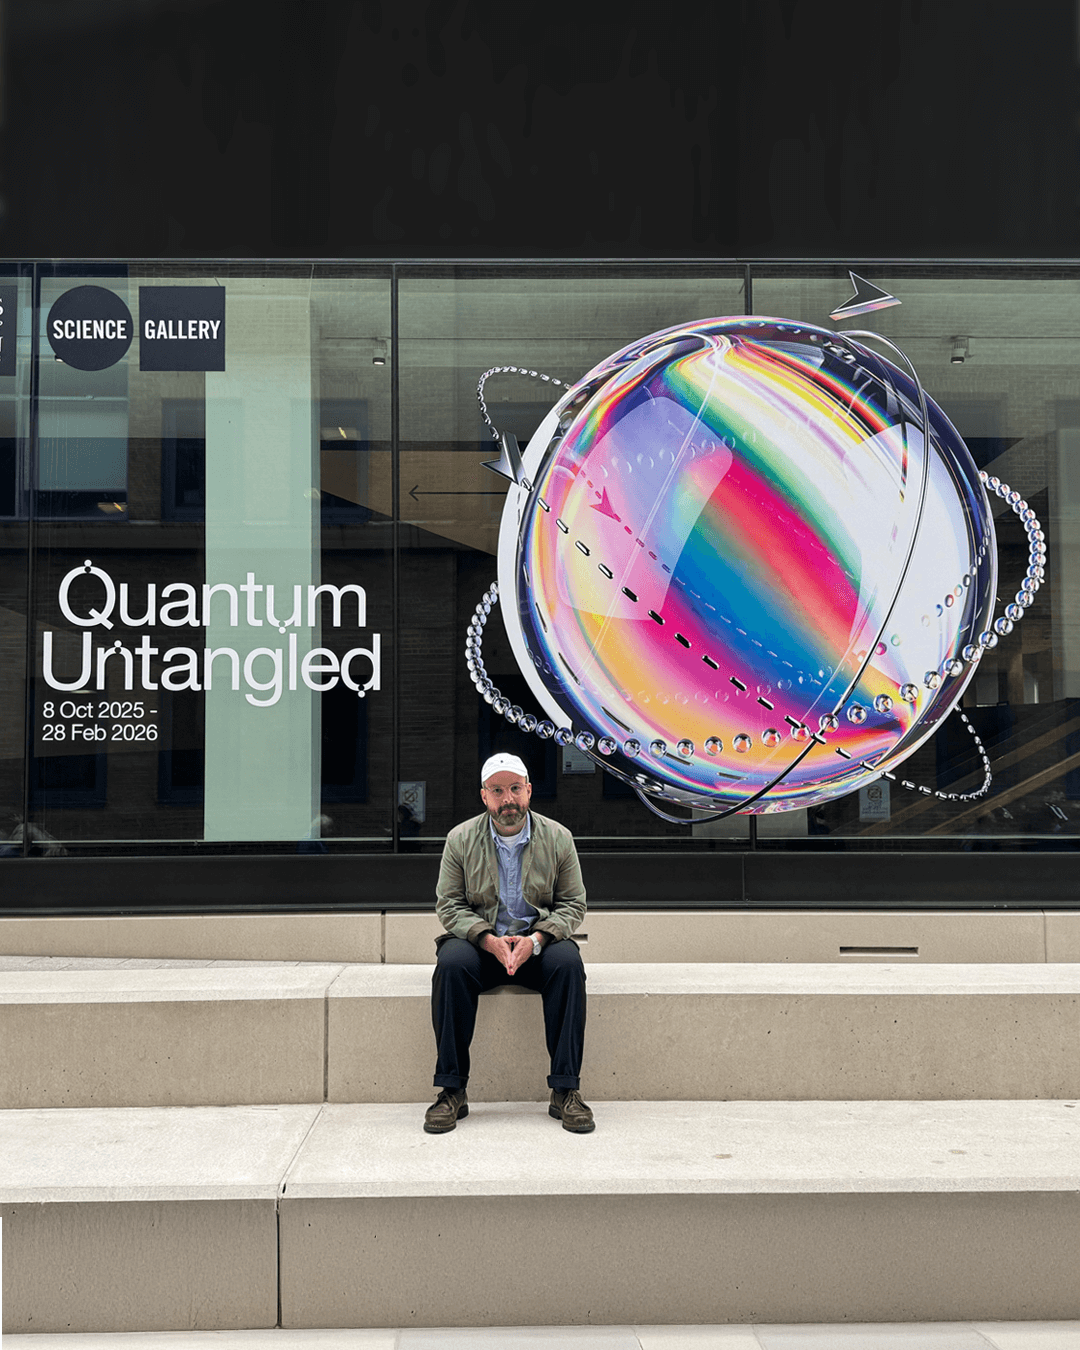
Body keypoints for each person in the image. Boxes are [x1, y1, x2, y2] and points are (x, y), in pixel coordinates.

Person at [425, 751, 592, 1134]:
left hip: (538, 946)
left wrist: (536, 939)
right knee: (450, 964)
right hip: (481, 948)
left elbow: (573, 904)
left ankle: (565, 1090)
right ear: (484, 797)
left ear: (529, 791)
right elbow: (449, 905)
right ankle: (452, 1090)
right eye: (497, 791)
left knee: (569, 964)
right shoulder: (460, 839)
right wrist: (487, 939)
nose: (508, 800)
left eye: (515, 788)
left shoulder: (558, 838)